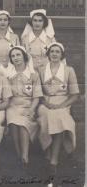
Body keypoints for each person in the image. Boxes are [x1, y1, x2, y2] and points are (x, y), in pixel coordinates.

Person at [36, 42, 79, 175]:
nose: (54, 54)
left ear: (62, 55)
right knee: (46, 116)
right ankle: (49, 151)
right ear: (48, 54)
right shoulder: (41, 70)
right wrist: (46, 103)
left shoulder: (68, 70)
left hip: (63, 102)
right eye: (52, 51)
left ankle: (53, 160)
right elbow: (39, 93)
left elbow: (74, 95)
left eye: (57, 52)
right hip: (45, 103)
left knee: (60, 118)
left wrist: (61, 105)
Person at [6, 46, 42, 169]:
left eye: (18, 55)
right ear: (11, 59)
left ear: (24, 56)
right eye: (13, 56)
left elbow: (36, 96)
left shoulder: (33, 75)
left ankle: (25, 156)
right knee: (13, 123)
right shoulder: (8, 76)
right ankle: (18, 153)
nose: (16, 58)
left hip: (28, 105)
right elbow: (6, 96)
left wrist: (31, 109)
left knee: (23, 123)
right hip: (12, 105)